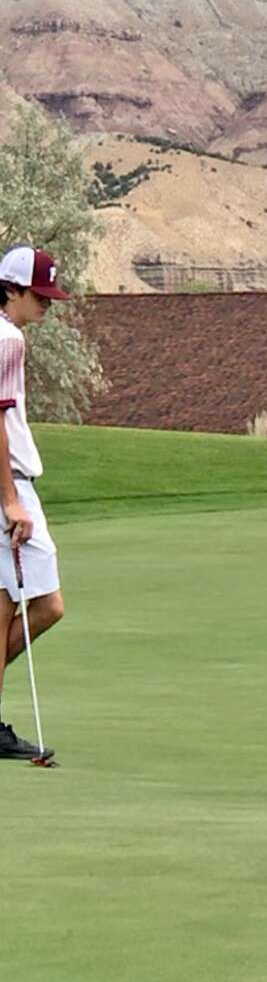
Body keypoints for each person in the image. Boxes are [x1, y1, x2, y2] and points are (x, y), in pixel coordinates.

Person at [0, 246, 70, 761]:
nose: (46, 305)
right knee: (14, 606)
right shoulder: (7, 338)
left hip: (15, 484)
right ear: (12, 290)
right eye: (39, 295)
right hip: (10, 486)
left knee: (43, 606)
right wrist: (9, 500)